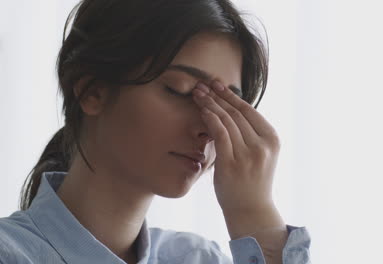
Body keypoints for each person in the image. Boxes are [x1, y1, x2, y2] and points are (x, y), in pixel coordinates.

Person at [0, 0, 311, 263]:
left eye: (225, 106)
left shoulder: (199, 257)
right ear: (91, 91)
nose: (209, 127)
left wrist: (256, 220)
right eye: (181, 90)